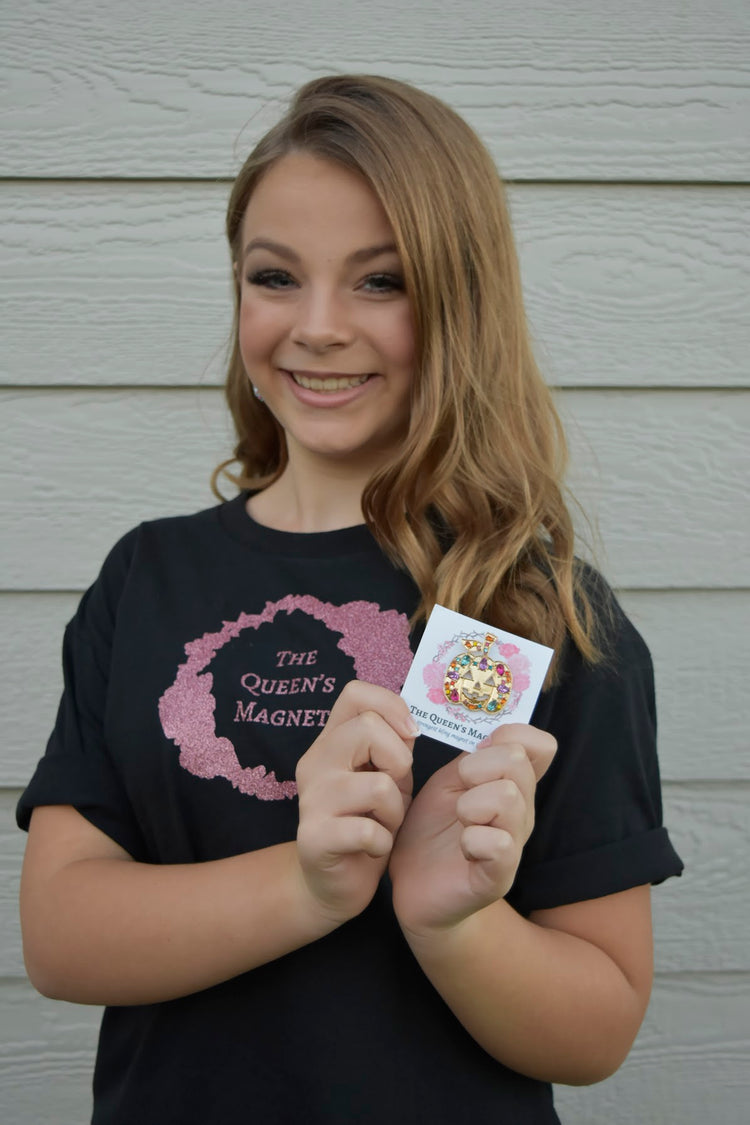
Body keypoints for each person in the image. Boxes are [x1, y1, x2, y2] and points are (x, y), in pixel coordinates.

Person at [17, 74, 683, 1124]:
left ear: (462, 300)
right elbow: (59, 937)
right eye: (275, 276)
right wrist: (311, 886)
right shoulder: (146, 581)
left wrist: (454, 923)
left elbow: (597, 1026)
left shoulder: (540, 613)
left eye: (381, 282)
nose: (318, 326)